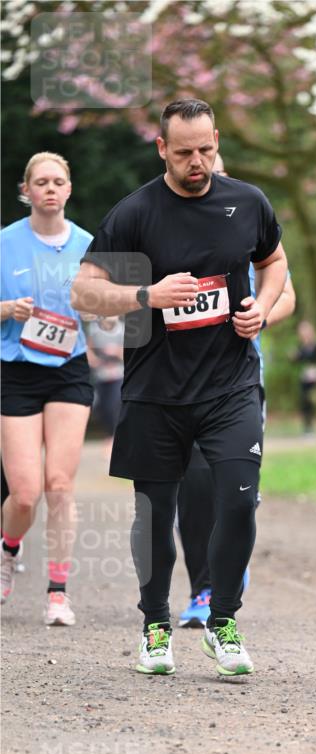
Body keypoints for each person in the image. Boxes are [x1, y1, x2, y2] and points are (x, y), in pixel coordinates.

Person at [71, 98, 287, 677]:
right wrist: (146, 296)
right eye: (185, 152)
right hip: (155, 391)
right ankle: (154, 626)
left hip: (231, 384)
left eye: (206, 150)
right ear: (162, 148)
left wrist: (260, 310)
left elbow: (274, 264)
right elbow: (83, 292)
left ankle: (222, 621)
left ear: (217, 140)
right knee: (154, 514)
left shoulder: (248, 202)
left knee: (239, 501)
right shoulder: (136, 213)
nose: (198, 162)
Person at [176, 151, 296, 627]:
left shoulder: (250, 223)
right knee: (193, 484)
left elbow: (285, 290)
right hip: (180, 383)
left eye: (220, 172)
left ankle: (225, 571)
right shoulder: (166, 228)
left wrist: (260, 312)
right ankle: (203, 590)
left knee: (233, 487)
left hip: (240, 379)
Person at [1, 152, 94, 625]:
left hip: (69, 369)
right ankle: (8, 548)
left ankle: (58, 592)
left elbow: (107, 310)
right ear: (27, 190)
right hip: (15, 370)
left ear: (69, 188)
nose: (50, 189)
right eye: (41, 182)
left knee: (59, 484)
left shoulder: (88, 245)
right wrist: (6, 309)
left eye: (59, 180)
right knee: (25, 494)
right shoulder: (5, 243)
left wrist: (104, 311)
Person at [86, 313, 125, 455]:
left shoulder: (123, 329)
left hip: (117, 375)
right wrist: (94, 361)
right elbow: (88, 347)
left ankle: (114, 439)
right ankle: (109, 437)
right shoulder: (94, 329)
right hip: (101, 376)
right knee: (101, 408)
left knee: (113, 407)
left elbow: (129, 352)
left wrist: (115, 351)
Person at [291, 319, 316, 434]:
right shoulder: (301, 346)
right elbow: (297, 359)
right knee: (305, 402)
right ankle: (308, 428)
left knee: (315, 402)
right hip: (305, 378)